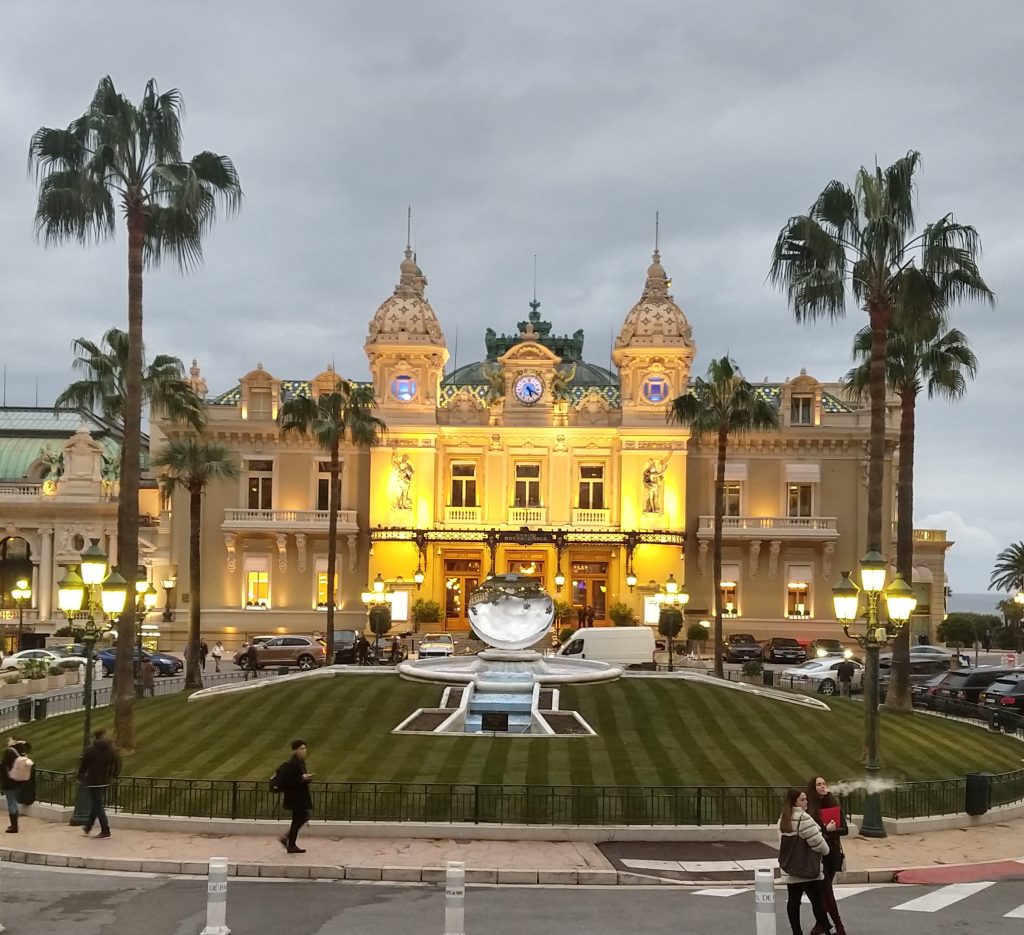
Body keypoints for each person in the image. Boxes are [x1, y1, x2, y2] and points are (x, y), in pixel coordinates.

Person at [778, 787, 830, 935]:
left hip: (791, 867)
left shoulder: (783, 819)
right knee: (818, 903)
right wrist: (826, 850)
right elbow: (819, 844)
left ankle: (796, 932)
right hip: (807, 867)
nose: (806, 802)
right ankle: (830, 930)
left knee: (793, 902)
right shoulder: (804, 818)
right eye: (802, 799)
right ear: (795, 802)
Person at [805, 776, 849, 935]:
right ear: (813, 787)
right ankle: (822, 923)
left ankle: (837, 926)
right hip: (817, 852)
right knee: (822, 891)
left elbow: (845, 829)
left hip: (832, 853)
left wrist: (832, 830)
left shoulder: (833, 804)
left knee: (825, 890)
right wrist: (825, 829)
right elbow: (810, 829)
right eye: (819, 784)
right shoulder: (809, 806)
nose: (823, 786)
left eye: (824, 783)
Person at [78, 729, 120, 838]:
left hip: (93, 780)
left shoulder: (89, 750)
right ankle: (88, 826)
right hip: (104, 780)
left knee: (98, 805)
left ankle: (105, 830)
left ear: (94, 738)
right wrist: (113, 776)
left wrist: (80, 776)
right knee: (97, 803)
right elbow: (117, 763)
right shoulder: (110, 749)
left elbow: (84, 765)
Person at [278, 739, 313, 854]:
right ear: (295, 750)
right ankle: (289, 841)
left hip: (299, 796)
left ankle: (290, 842)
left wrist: (306, 778)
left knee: (299, 819)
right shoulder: (293, 764)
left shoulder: (299, 762)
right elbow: (290, 781)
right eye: (301, 749)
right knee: (301, 818)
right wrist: (303, 779)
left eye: (304, 748)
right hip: (296, 797)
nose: (304, 751)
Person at [1, 739, 31, 834]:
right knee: (14, 802)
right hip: (18, 781)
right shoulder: (21, 753)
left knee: (11, 803)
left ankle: (14, 826)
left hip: (9, 781)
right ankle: (14, 824)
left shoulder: (9, 752)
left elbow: (4, 766)